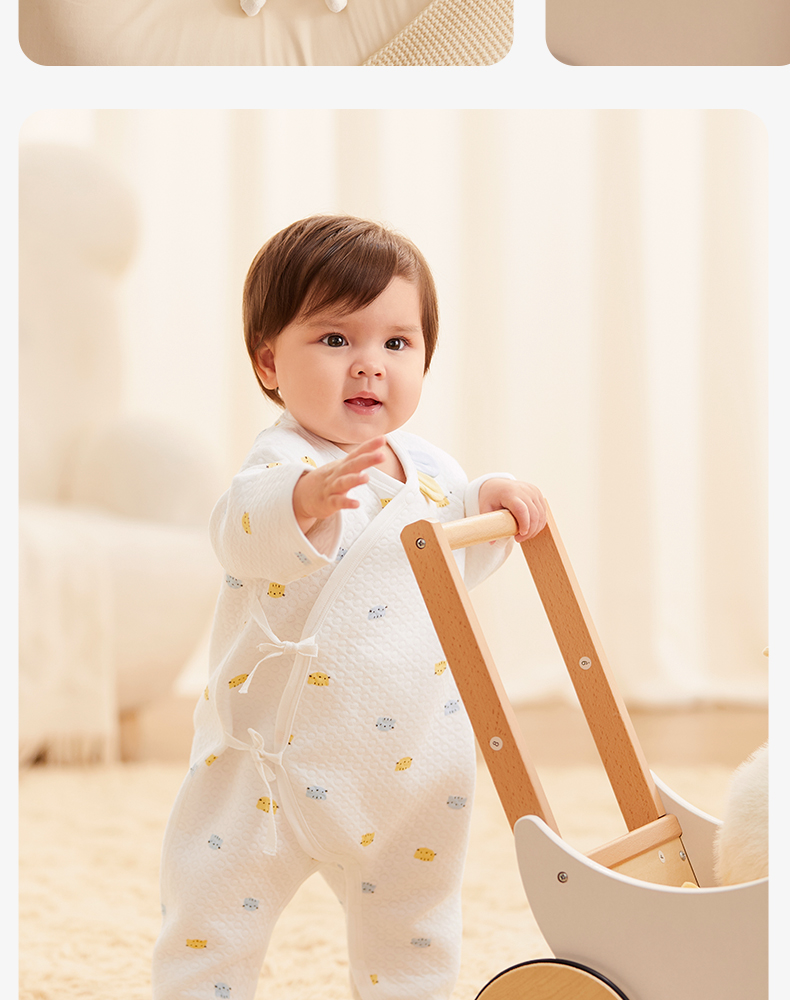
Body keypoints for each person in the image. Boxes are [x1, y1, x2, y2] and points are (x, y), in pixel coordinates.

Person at [152, 215, 546, 1000]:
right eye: (335, 339)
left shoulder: (431, 468)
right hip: (269, 768)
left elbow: (451, 559)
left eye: (396, 343)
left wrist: (487, 500)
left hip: (409, 765)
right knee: (213, 915)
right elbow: (239, 530)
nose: (369, 364)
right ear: (270, 360)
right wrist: (303, 501)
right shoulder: (282, 462)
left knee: (415, 924)